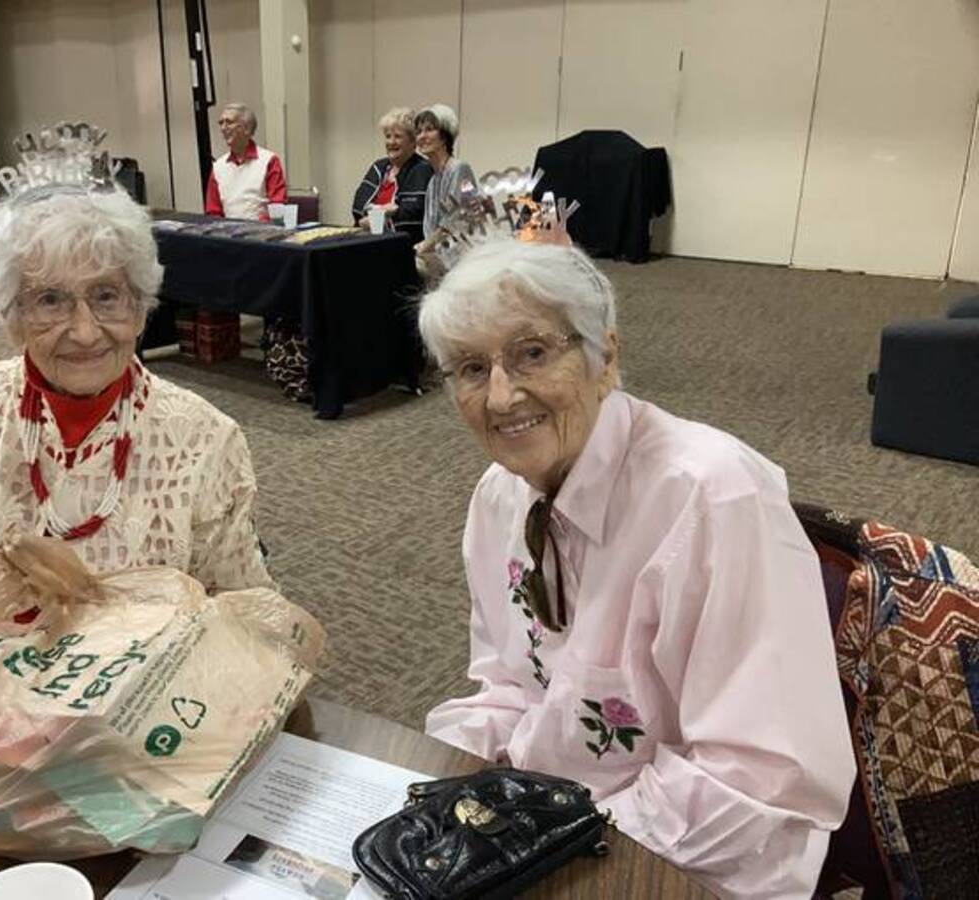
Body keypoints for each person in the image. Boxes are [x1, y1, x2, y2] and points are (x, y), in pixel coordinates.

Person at [418, 238, 855, 899]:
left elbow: (759, 780)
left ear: (605, 356)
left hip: (686, 860)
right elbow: (508, 686)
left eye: (532, 353)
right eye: (472, 368)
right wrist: (434, 779)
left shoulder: (710, 497)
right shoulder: (498, 497)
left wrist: (557, 852)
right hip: (555, 821)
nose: (502, 397)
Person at [0, 182, 273, 663]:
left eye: (106, 296)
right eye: (51, 300)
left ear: (140, 308)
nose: (84, 331)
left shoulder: (205, 437)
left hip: (139, 708)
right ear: (13, 315)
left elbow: (243, 610)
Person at [350, 107, 432, 242]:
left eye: (398, 136)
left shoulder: (422, 169)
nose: (391, 142)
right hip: (367, 240)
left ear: (413, 142)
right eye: (388, 136)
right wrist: (381, 213)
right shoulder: (379, 167)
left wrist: (378, 218)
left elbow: (413, 212)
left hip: (401, 245)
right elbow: (358, 204)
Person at [204, 103, 287, 220]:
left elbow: (278, 207)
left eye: (229, 122)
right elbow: (213, 212)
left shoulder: (269, 161)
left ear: (247, 129)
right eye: (221, 123)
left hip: (262, 233)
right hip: (227, 233)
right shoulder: (218, 167)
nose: (223, 128)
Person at [414, 104, 477, 239]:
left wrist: (426, 247)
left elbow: (455, 221)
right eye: (419, 131)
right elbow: (429, 228)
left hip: (464, 253)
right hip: (438, 253)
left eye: (429, 130)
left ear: (444, 137)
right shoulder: (433, 181)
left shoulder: (460, 169)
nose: (421, 136)